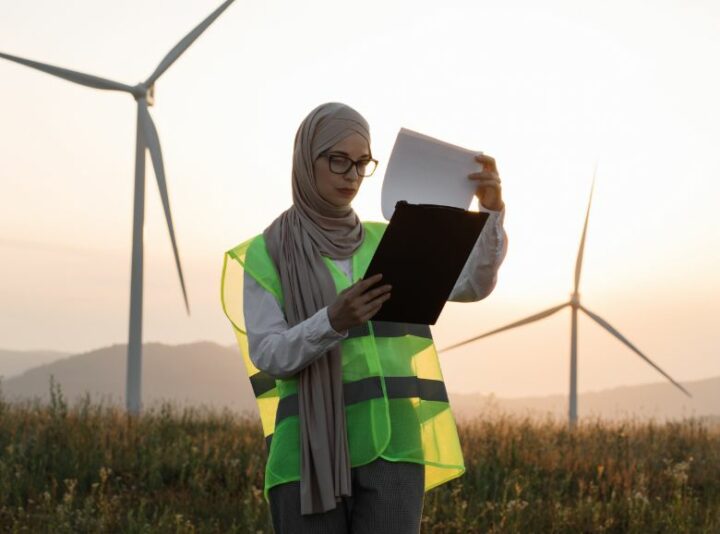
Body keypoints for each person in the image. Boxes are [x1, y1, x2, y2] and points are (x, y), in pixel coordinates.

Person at [220, 102, 507, 533]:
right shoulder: (266, 254)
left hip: (394, 448)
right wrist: (332, 320)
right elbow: (269, 353)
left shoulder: (390, 239)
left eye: (361, 163)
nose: (352, 175)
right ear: (305, 159)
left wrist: (490, 213)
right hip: (306, 458)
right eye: (338, 160)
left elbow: (472, 286)